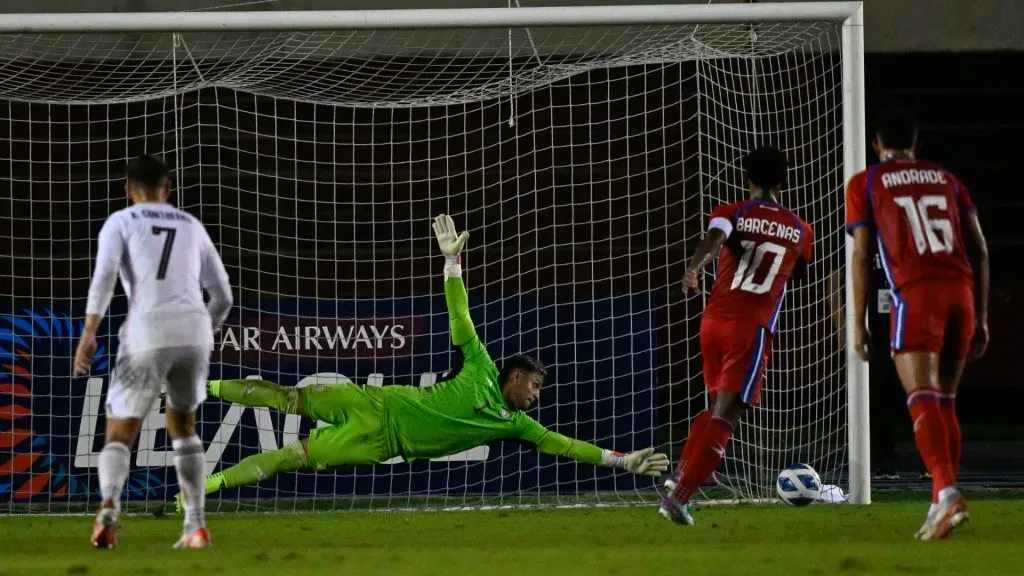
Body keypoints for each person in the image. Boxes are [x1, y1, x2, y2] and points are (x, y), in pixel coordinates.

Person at [181, 214, 668, 504]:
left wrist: (622, 462)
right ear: (515, 376)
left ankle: (208, 485)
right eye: (535, 386)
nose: (537, 397)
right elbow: (461, 315)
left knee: (293, 457)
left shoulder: (517, 426)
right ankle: (205, 388)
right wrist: (451, 262)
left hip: (377, 445)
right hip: (376, 403)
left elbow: (566, 446)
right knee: (289, 399)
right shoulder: (480, 364)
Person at [74, 155, 232, 550]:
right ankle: (195, 526)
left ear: (128, 190)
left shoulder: (121, 222)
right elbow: (224, 296)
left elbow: (104, 278)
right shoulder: (192, 225)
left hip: (146, 332)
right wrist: (201, 331)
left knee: (120, 430)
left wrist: (89, 333)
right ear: (169, 187)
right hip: (194, 334)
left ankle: (110, 504)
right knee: (184, 427)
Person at [846, 109, 989, 540]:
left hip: (916, 292)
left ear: (876, 146)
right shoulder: (947, 179)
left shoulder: (866, 181)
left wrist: (858, 322)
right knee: (945, 398)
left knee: (921, 396)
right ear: (917, 145)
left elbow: (860, 254)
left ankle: (946, 494)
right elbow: (979, 248)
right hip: (961, 291)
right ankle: (939, 501)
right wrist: (981, 316)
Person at [661, 146, 813, 524]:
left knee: (716, 408)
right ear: (784, 179)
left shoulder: (732, 212)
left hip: (713, 323)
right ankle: (679, 497)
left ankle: (683, 471)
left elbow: (714, 239)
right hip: (750, 329)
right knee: (727, 417)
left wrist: (694, 269)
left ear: (746, 178)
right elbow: (798, 273)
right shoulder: (800, 229)